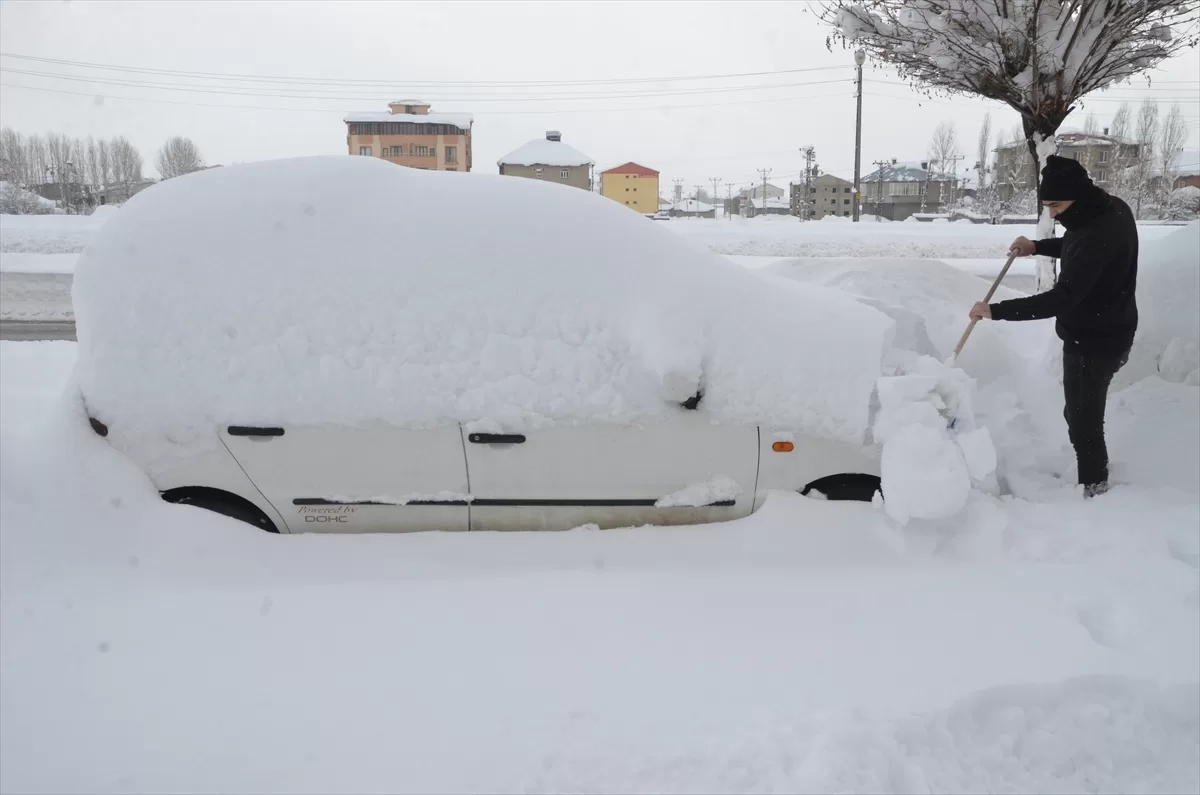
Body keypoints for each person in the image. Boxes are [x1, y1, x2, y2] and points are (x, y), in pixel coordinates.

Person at [969, 154, 1138, 498]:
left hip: (1096, 340)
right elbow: (1076, 244)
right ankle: (1091, 478)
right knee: (1078, 413)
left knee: (1083, 422)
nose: (1052, 214)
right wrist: (1037, 247)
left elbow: (1062, 298)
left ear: (1077, 196)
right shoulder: (1107, 210)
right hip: (1105, 328)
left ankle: (1095, 492)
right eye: (1047, 205)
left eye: (1056, 205)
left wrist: (995, 311)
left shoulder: (1097, 232)